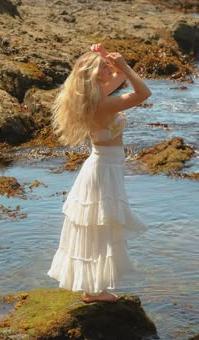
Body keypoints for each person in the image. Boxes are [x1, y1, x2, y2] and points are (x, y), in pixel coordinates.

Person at [47, 43, 152, 303]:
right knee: (100, 228)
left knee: (97, 227)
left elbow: (119, 79)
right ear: (95, 76)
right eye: (104, 68)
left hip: (103, 167)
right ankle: (94, 290)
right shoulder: (103, 105)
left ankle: (91, 288)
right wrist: (124, 64)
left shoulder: (93, 96)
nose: (109, 70)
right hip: (103, 170)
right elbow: (143, 92)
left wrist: (107, 59)